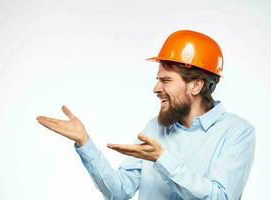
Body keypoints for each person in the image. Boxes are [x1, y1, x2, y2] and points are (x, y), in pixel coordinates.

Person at [36, 30, 255, 200]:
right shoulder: (155, 128)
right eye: (157, 79)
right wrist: (85, 142)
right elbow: (119, 192)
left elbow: (221, 197)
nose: (156, 88)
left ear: (196, 85)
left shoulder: (237, 132)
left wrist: (162, 159)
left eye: (166, 80)